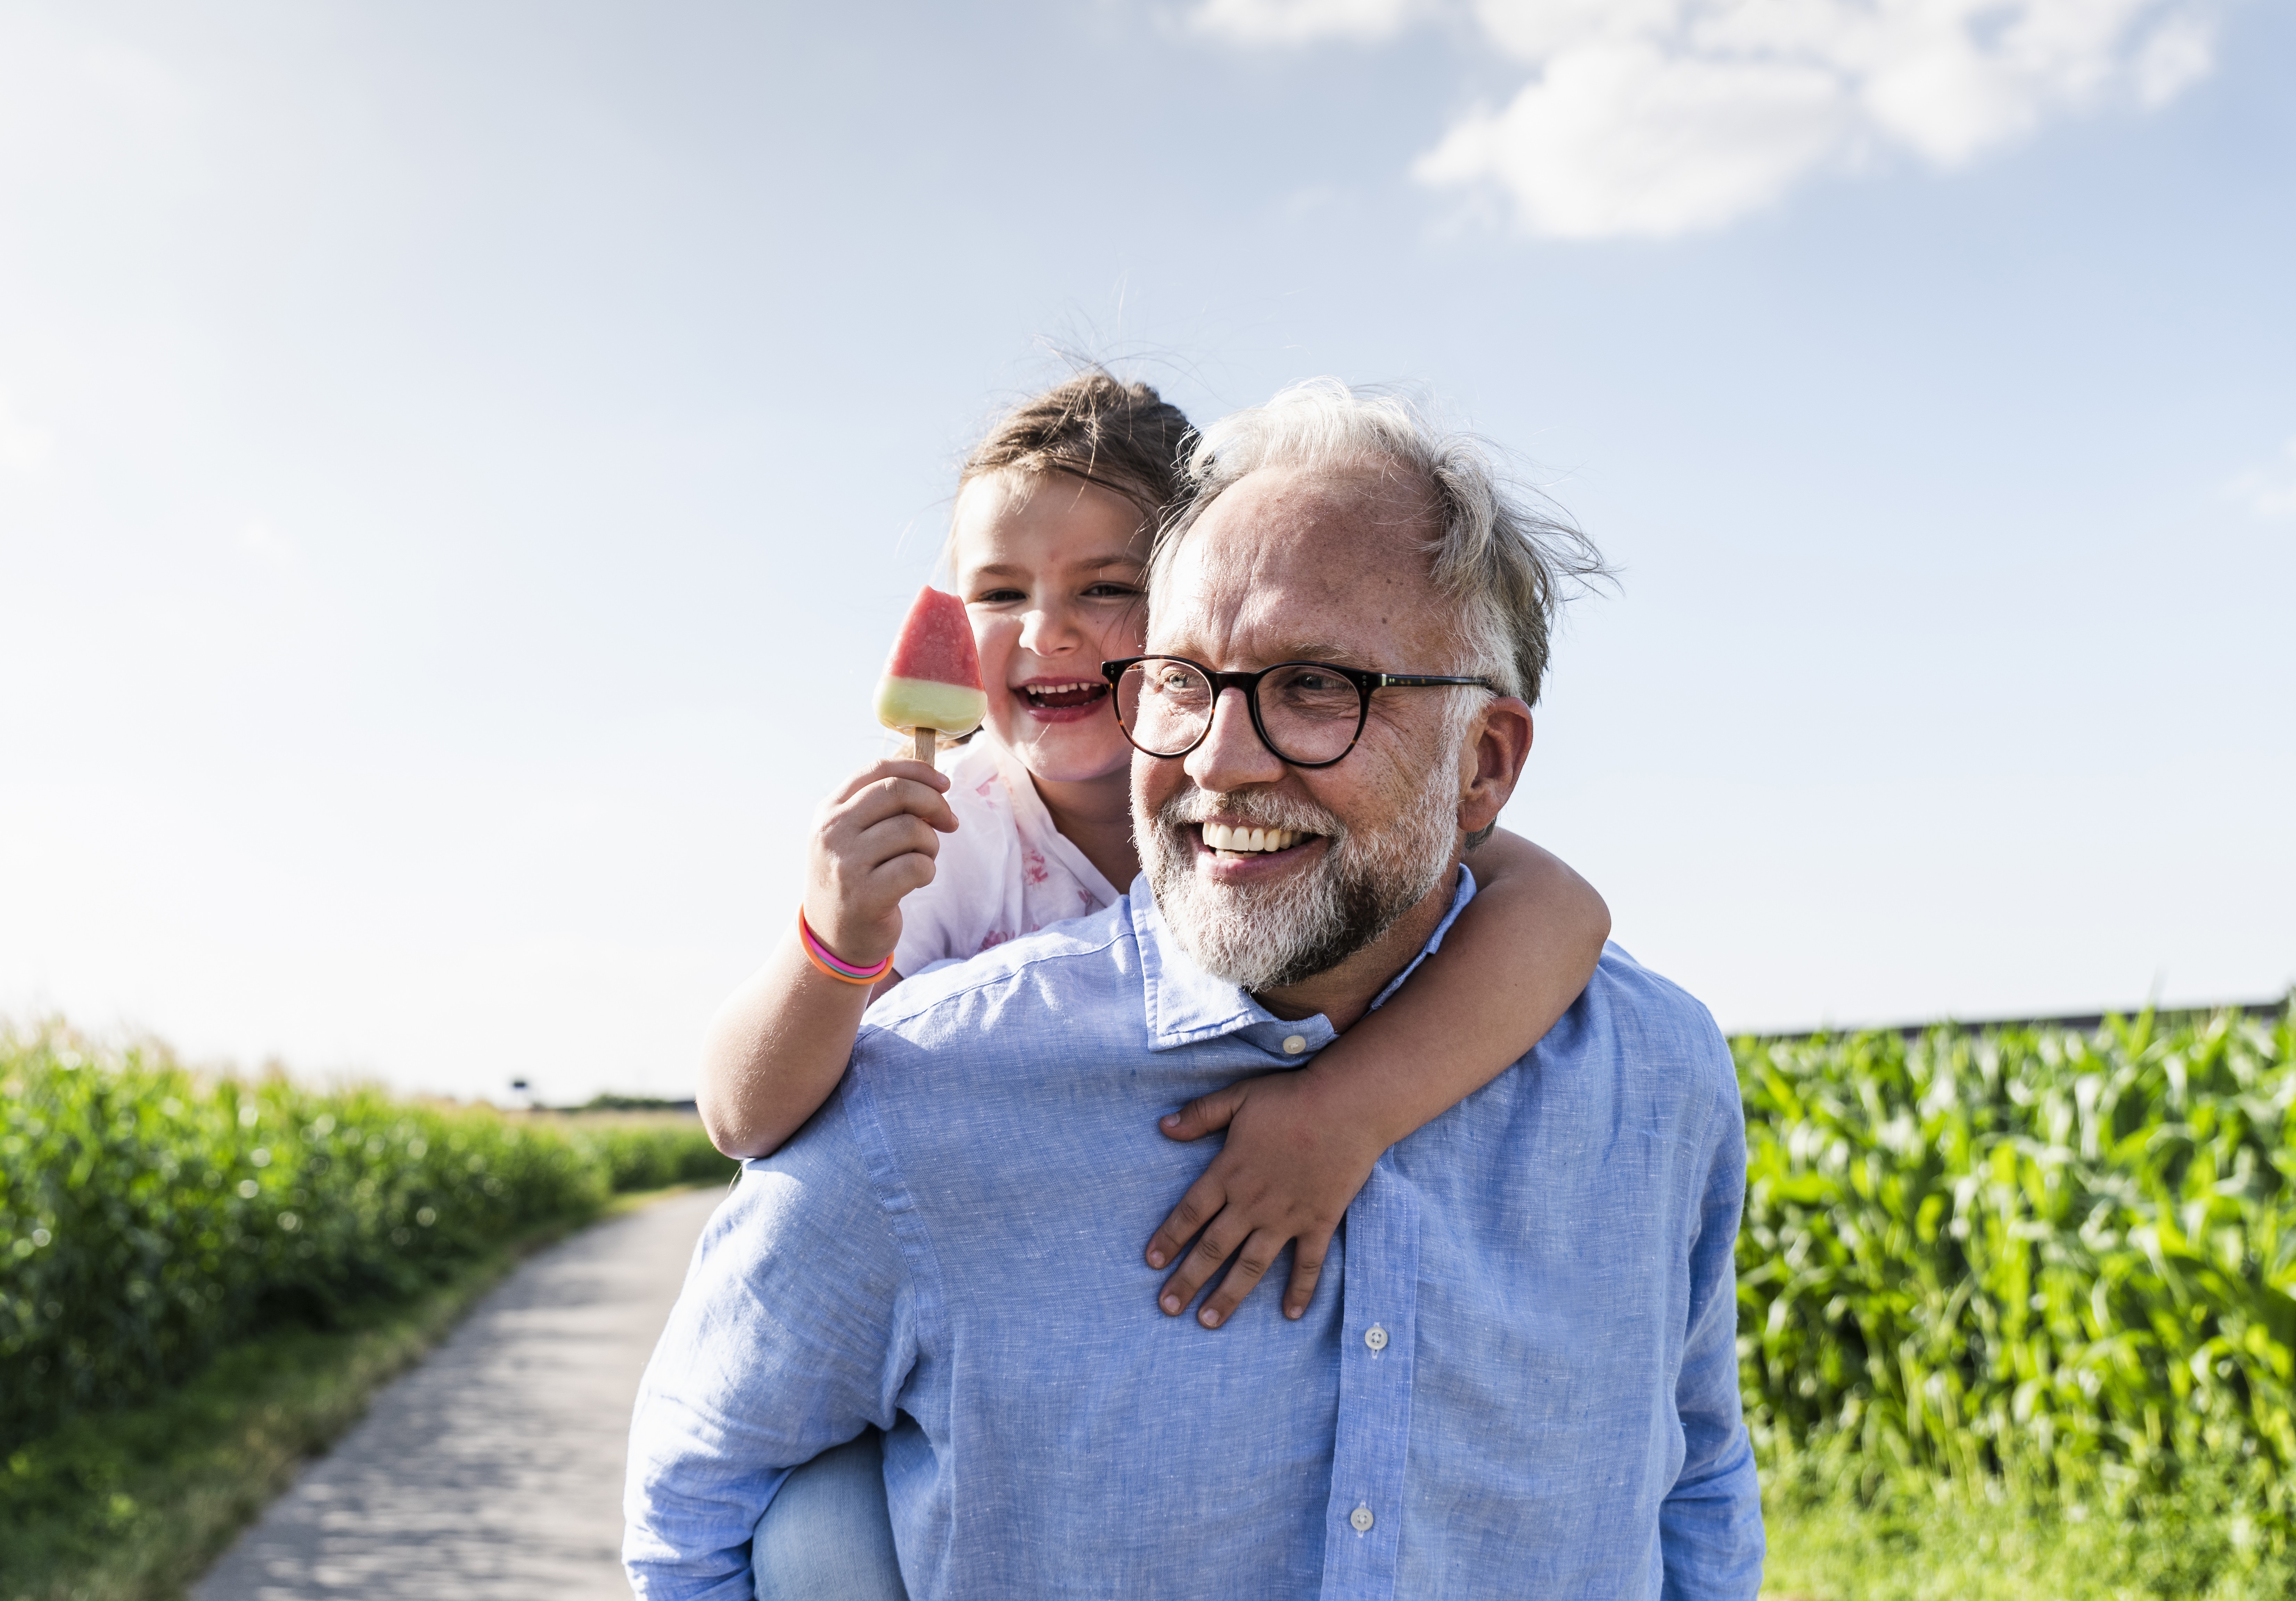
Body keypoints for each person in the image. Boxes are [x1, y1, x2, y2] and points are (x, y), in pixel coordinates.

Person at [626, 378, 1762, 1599]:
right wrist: (833, 943)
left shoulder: (1655, 1073)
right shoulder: (929, 1040)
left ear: (1485, 766)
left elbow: (1694, 1479)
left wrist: (1348, 1109)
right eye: (1183, 681)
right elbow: (701, 1505)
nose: (1222, 760)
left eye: (1318, 683)